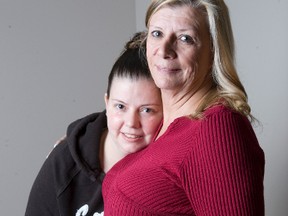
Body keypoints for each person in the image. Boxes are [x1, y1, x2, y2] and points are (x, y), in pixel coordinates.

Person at [102, 0, 265, 215]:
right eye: (157, 33)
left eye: (185, 38)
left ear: (214, 51)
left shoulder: (218, 127)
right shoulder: (160, 122)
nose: (164, 50)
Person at [24, 32, 163, 216]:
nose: (131, 122)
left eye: (147, 110)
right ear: (107, 103)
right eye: (120, 106)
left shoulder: (169, 166)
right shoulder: (65, 162)